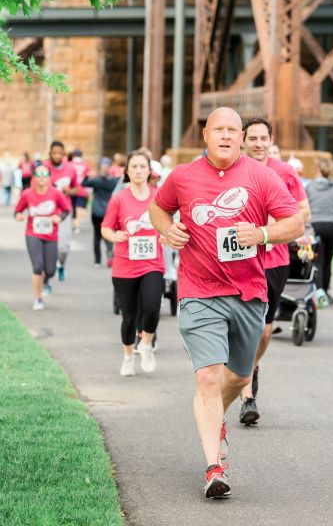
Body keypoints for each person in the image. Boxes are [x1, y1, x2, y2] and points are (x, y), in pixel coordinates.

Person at [149, 107, 303, 500]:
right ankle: (214, 467)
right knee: (207, 376)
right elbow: (158, 207)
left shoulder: (261, 176)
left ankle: (216, 417)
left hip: (248, 292)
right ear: (205, 134)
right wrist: (168, 229)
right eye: (219, 129)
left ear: (241, 138)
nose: (226, 135)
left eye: (233, 130)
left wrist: (262, 234)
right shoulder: (182, 176)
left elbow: (294, 223)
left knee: (238, 377)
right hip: (199, 291)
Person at [239, 117, 310, 425]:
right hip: (239, 260)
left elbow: (304, 210)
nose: (258, 144)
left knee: (265, 330)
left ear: (271, 141)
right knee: (244, 327)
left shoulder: (285, 172)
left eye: (263, 138)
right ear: (243, 140)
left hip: (274, 260)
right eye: (252, 138)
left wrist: (273, 226)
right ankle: (246, 394)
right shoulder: (233, 170)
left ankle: (250, 367)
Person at [101, 150, 165, 377]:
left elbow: (167, 223)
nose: (138, 171)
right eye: (134, 167)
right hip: (125, 266)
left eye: (142, 166)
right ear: (127, 171)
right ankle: (128, 357)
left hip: (152, 264)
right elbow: (106, 227)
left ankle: (146, 344)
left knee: (153, 305)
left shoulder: (159, 197)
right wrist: (114, 235)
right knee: (129, 317)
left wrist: (166, 234)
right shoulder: (119, 198)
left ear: (149, 171)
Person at [14, 164, 69, 310]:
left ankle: (47, 278)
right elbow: (18, 210)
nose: (42, 177)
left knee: (50, 271)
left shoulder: (56, 194)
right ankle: (38, 299)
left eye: (45, 174)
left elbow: (66, 210)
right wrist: (18, 215)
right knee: (37, 266)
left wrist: (59, 217)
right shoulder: (27, 194)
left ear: (49, 177)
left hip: (51, 235)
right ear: (34, 177)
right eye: (38, 174)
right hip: (33, 234)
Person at [306, 158, 333, 298]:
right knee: (328, 261)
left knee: (318, 260)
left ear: (318, 170)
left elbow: (304, 207)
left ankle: (319, 294)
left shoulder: (310, 186)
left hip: (315, 225)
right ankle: (326, 293)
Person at [44, 141, 79, 284]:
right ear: (50, 154)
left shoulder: (70, 169)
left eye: (60, 153)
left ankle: (61, 265)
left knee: (63, 248)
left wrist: (69, 191)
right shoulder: (44, 168)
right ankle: (46, 279)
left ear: (63, 154)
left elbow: (77, 189)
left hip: (64, 212)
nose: (57, 156)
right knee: (46, 248)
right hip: (46, 212)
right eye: (54, 153)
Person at [82, 158, 118, 268]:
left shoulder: (96, 181)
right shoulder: (114, 181)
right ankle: (110, 253)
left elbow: (84, 184)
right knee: (109, 234)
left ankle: (97, 261)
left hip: (97, 212)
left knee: (97, 235)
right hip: (108, 211)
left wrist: (87, 176)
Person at [68, 149, 91, 233]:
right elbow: (88, 179)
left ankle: (73, 223)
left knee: (71, 208)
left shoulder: (69, 164)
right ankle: (76, 225)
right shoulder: (85, 166)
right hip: (82, 190)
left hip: (71, 189)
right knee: (79, 208)